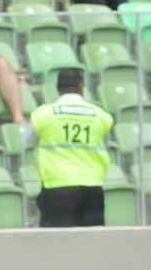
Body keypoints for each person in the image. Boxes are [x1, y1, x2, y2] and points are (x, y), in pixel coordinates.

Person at [30, 69, 113, 227]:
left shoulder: (42, 114)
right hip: (92, 185)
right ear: (81, 86)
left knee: (57, 239)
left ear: (57, 88)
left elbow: (27, 141)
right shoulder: (102, 116)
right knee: (92, 239)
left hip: (56, 185)